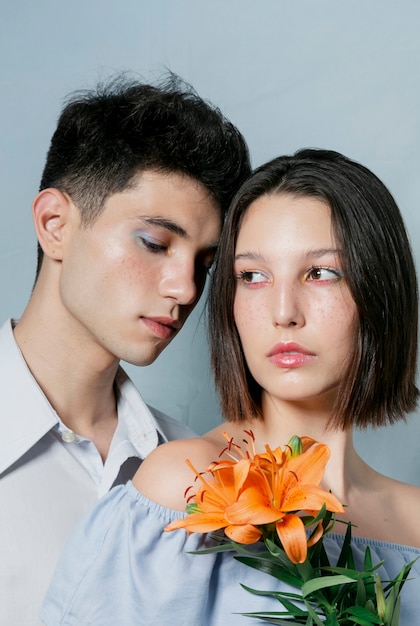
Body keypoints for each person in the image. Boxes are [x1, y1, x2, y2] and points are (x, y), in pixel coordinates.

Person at [41, 149, 420, 625]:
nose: (283, 311)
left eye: (320, 273)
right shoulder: (188, 487)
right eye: (252, 276)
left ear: (380, 289)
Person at [0, 74, 250, 625]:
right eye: (154, 244)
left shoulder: (205, 469)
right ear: (54, 224)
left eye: (204, 264)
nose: (184, 289)